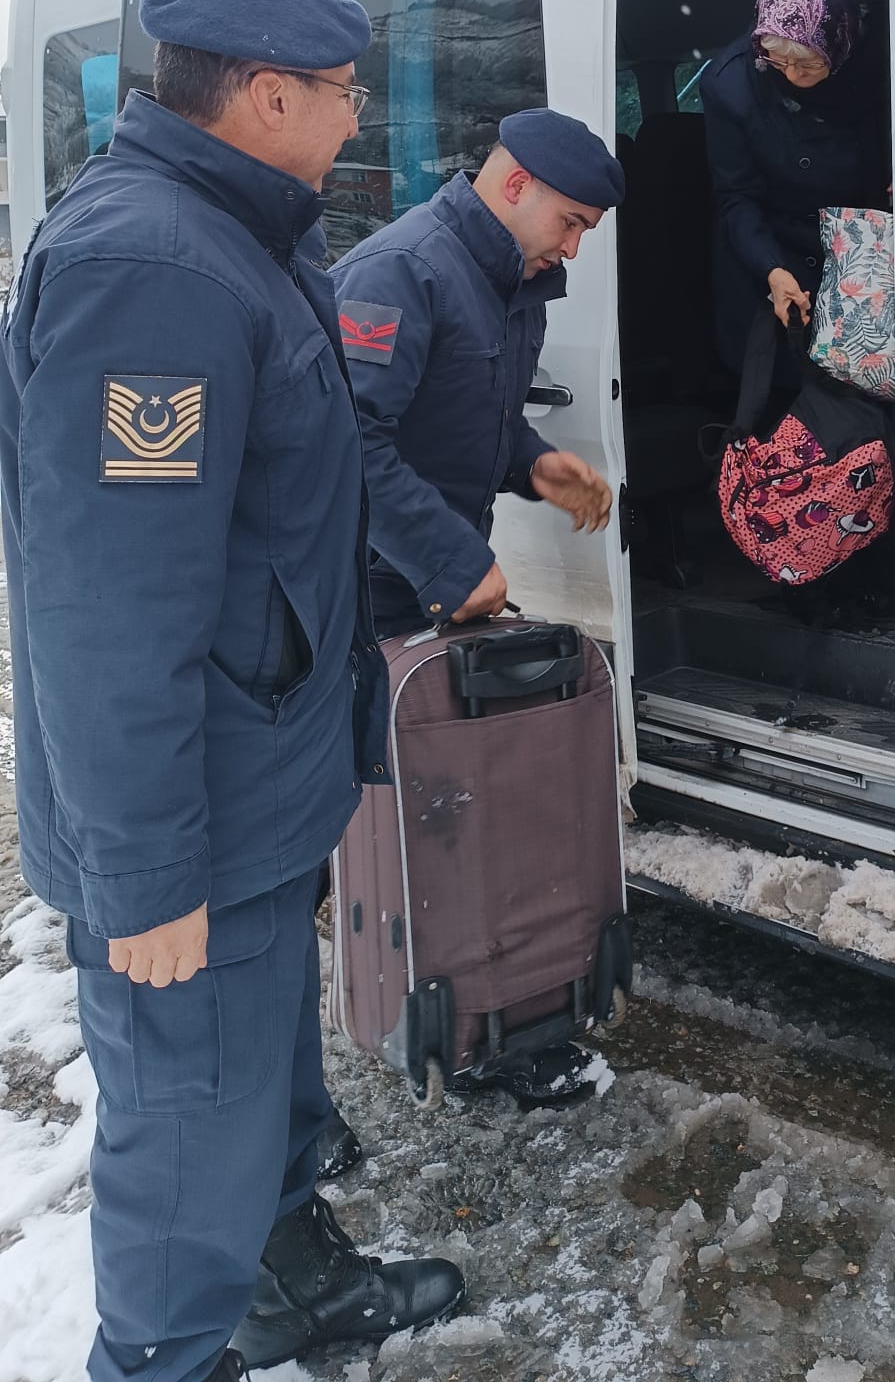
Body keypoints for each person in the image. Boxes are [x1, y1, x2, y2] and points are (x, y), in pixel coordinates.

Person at [0, 0, 465, 1382]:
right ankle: (166, 1358)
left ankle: (291, 1282)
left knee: (259, 1088)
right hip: (185, 832)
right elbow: (110, 606)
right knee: (188, 1122)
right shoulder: (155, 271)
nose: (353, 120)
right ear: (264, 97)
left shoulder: (238, 239)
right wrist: (145, 875)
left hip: (253, 791)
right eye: (338, 94)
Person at [329, 110, 623, 1102]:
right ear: (513, 186)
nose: (575, 244)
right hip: (367, 590)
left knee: (468, 807)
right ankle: (427, 1020)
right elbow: (348, 451)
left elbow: (467, 422)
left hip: (433, 581)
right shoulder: (398, 272)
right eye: (572, 221)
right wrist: (456, 563)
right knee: (415, 821)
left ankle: (490, 1010)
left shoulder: (511, 279)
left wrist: (536, 465)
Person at [699, 0, 889, 375]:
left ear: (840, 43)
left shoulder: (885, 57)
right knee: (782, 383)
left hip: (866, 246)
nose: (791, 75)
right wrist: (771, 267)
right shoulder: (731, 84)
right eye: (776, 59)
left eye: (807, 64)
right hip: (773, 248)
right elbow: (737, 194)